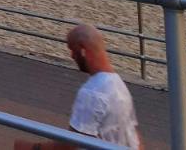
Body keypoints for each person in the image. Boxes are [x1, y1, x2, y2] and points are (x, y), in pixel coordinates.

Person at [13, 24, 141, 150]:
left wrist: (32, 148)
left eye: (73, 50)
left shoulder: (92, 92)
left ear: (82, 50)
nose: (72, 56)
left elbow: (71, 145)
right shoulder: (120, 85)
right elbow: (134, 136)